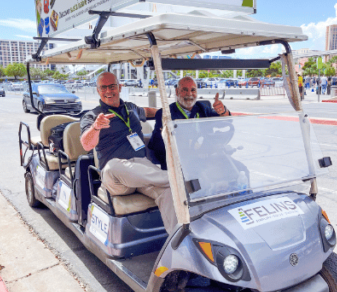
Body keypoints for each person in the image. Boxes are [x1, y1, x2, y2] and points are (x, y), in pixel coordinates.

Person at [80, 72, 178, 236]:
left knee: (167, 192)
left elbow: (146, 111)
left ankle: (178, 242)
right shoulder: (92, 116)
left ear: (120, 87)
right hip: (117, 178)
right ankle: (176, 180)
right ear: (98, 91)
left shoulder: (130, 108)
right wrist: (96, 127)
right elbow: (86, 144)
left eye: (112, 86)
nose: (108, 91)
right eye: (103, 87)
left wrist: (168, 112)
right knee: (113, 165)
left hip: (141, 171)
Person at [148, 76, 230, 170]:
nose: (189, 94)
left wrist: (223, 111)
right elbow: (159, 145)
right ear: (177, 92)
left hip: (207, 159)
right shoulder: (165, 114)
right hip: (180, 164)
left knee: (239, 169)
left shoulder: (204, 108)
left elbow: (226, 121)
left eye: (193, 90)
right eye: (185, 90)